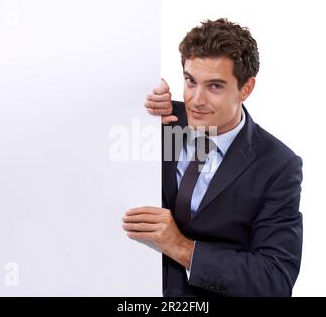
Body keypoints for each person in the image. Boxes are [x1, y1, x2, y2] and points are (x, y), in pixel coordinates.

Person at [122, 18, 303, 297]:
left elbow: (274, 279)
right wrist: (132, 101)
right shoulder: (161, 120)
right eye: (190, 81)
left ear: (246, 88)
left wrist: (181, 247)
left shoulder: (277, 165)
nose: (196, 100)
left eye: (215, 86)